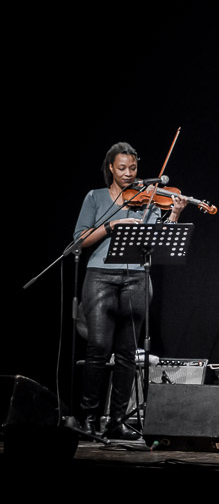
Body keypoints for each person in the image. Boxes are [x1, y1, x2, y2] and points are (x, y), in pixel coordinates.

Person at [72, 142, 188, 439]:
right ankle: (88, 418)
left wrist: (173, 215)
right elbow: (80, 240)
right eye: (121, 168)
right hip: (99, 276)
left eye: (133, 168)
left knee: (127, 353)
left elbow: (161, 242)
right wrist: (113, 226)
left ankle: (118, 419)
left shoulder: (147, 199)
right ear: (110, 167)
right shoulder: (96, 197)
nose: (128, 173)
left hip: (136, 277)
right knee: (98, 348)